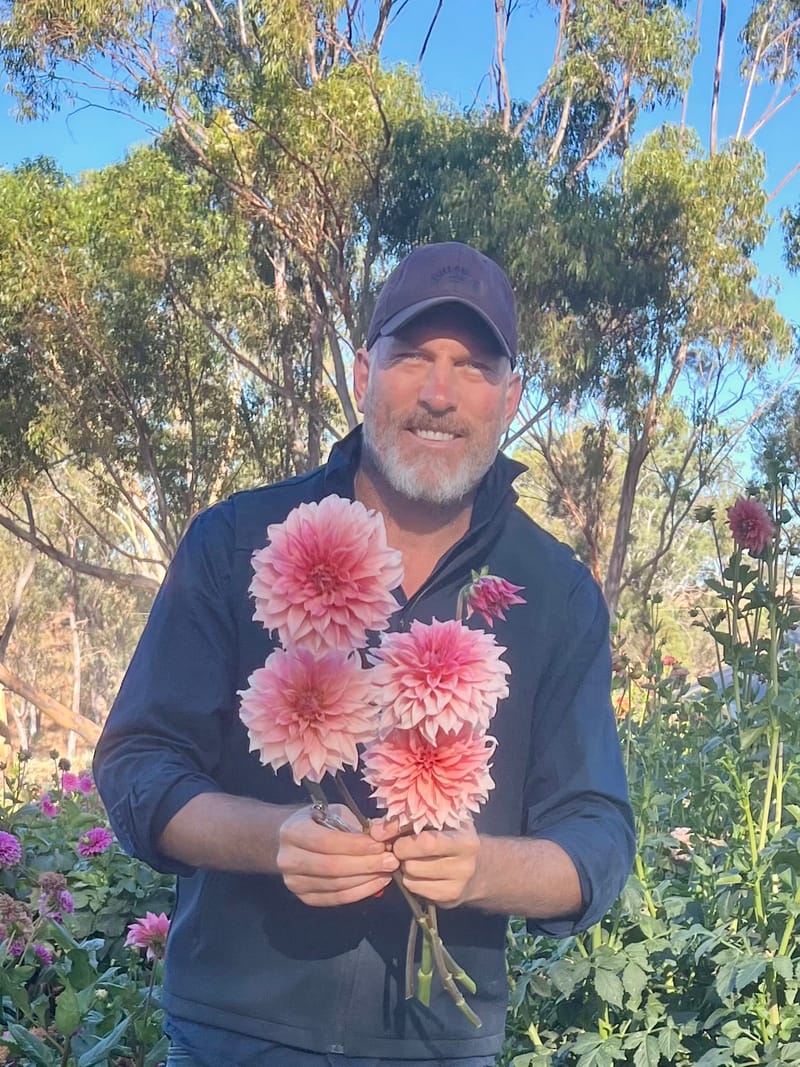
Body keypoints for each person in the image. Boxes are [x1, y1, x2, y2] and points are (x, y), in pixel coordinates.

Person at [94, 241, 635, 1067]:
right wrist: (275, 837)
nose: (439, 393)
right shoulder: (237, 542)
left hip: (438, 1046)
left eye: (475, 366)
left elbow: (597, 835)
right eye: (412, 356)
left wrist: (483, 867)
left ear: (512, 396)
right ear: (361, 375)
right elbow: (138, 765)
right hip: (233, 1035)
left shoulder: (554, 591)